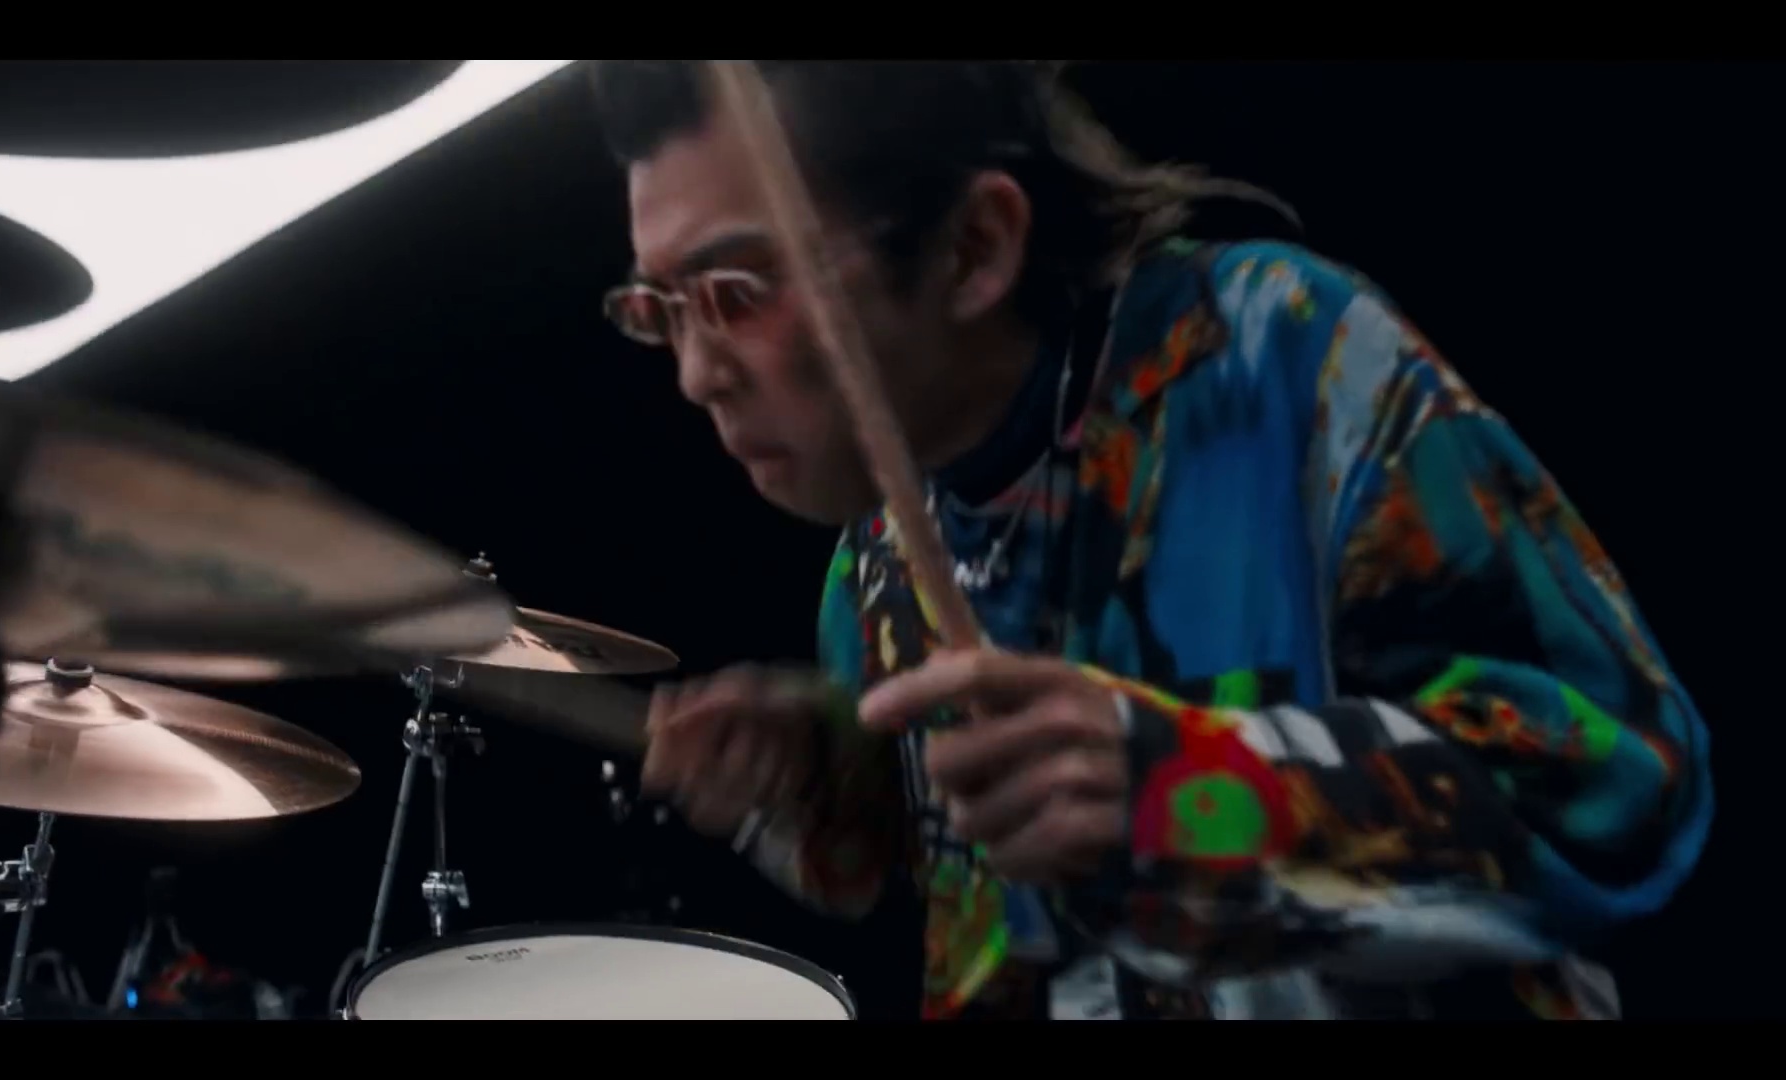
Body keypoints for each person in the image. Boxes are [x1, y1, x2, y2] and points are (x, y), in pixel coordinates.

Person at [592, 60, 1713, 1021]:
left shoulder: (1281, 361)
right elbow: (986, 907)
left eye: (736, 292)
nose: (694, 374)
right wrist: (827, 783)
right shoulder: (877, 568)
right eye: (660, 308)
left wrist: (1187, 792)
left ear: (974, 246)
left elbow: (1619, 783)